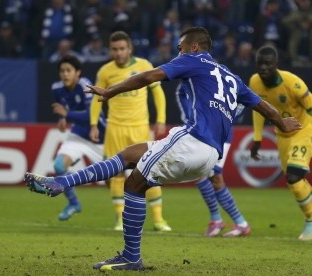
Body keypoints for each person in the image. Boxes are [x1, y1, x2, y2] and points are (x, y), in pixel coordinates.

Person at [24, 27, 301, 271]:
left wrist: (110, 92)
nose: (177, 52)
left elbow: (150, 76)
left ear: (193, 47)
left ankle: (130, 256)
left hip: (191, 141)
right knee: (131, 156)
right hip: (210, 157)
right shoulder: (232, 77)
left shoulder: (192, 60)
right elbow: (260, 105)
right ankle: (62, 182)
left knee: (132, 185)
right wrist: (281, 122)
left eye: (180, 47)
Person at [89, 30, 170, 232]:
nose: (118, 53)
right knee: (115, 176)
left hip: (140, 128)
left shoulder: (144, 66)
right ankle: (120, 218)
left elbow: (158, 93)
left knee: (150, 172)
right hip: (115, 128)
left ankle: (159, 219)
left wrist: (161, 119)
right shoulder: (105, 71)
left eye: (122, 48)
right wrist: (93, 124)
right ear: (110, 50)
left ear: (130, 49)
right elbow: (96, 99)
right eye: (115, 49)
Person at [250, 45, 312, 241]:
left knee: (294, 176)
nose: (263, 67)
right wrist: (257, 139)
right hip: (282, 135)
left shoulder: (293, 83)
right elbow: (258, 110)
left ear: (276, 64)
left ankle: (310, 221)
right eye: (260, 63)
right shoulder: (255, 82)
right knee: (295, 182)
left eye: (268, 63)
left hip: (304, 129)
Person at [177, 85, 251, 237]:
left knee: (215, 177)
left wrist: (228, 119)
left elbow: (244, 99)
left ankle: (241, 223)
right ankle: (217, 220)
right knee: (199, 174)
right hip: (202, 131)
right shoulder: (196, 73)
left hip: (221, 133)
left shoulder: (226, 78)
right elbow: (180, 92)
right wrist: (189, 117)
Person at [50, 55, 106, 220]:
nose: (65, 74)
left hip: (100, 137)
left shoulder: (86, 86)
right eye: (62, 71)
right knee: (59, 166)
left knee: (114, 180)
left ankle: (121, 214)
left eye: (69, 71)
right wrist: (62, 119)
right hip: (79, 135)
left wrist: (66, 114)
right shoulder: (56, 88)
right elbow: (61, 108)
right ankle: (74, 203)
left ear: (78, 73)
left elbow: (91, 116)